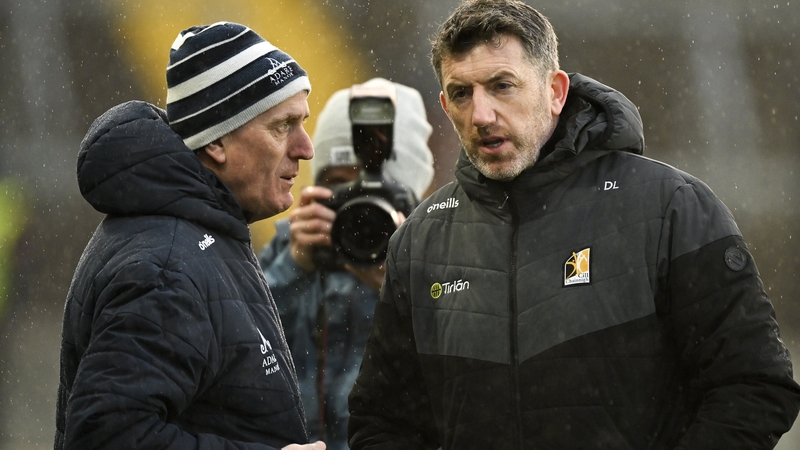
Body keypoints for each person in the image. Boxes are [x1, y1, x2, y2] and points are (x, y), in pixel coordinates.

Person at [347, 1, 800, 449]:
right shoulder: (420, 241)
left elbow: (755, 385)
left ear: (556, 92)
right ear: (444, 105)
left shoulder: (670, 208)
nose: (480, 115)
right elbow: (381, 424)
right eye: (462, 94)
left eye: (501, 85)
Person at [55, 22, 325, 450]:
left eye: (302, 122)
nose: (305, 147)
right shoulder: (167, 265)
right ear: (216, 142)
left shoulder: (197, 231)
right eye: (282, 126)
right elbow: (108, 437)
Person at [259, 77, 434, 450]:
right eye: (340, 186)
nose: (359, 210)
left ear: (410, 195)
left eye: (374, 189)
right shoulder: (290, 247)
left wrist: (404, 287)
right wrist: (292, 268)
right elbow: (238, 353)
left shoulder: (441, 253)